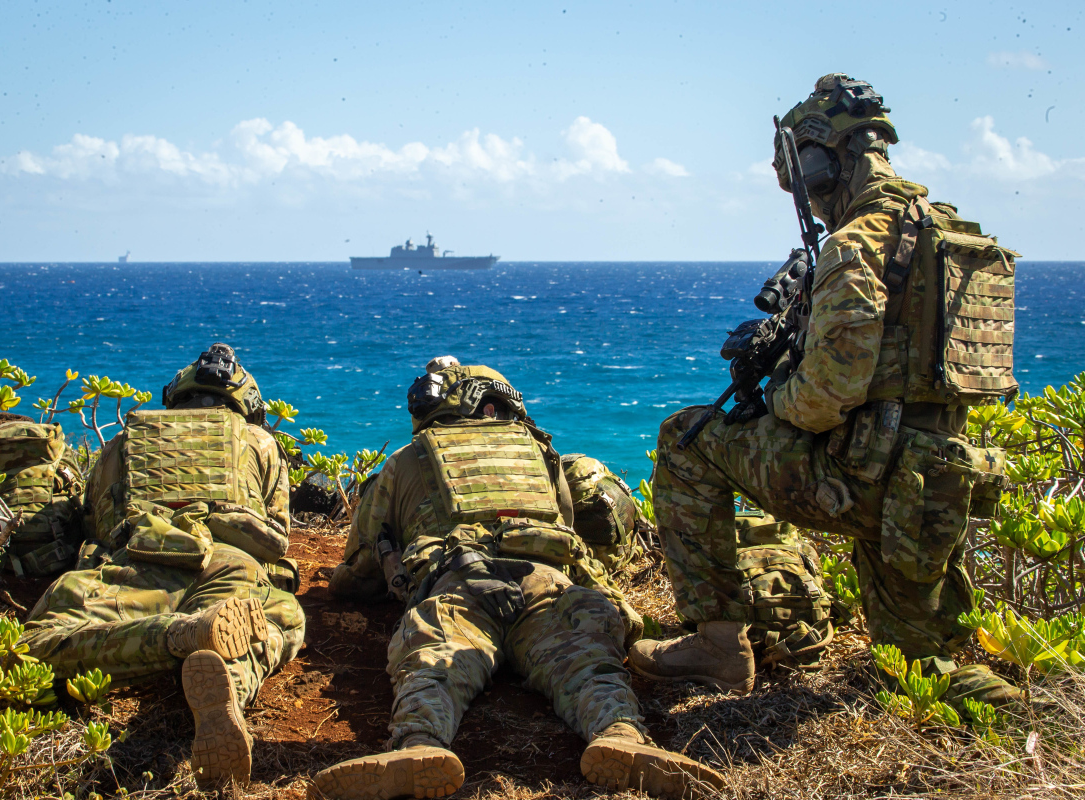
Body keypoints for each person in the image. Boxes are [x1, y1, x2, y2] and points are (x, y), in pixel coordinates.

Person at [632, 74, 1022, 707]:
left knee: (686, 439)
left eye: (800, 180)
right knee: (921, 669)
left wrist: (777, 387)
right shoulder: (953, 238)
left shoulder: (854, 245)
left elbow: (819, 402)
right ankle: (1034, 719)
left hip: (859, 480)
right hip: (935, 488)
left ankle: (718, 645)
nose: (806, 200)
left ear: (820, 163)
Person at [318, 357, 724, 800]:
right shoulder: (538, 452)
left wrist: (342, 582)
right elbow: (565, 525)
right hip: (546, 582)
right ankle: (620, 733)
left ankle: (418, 744)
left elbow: (361, 567)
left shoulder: (406, 459)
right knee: (589, 663)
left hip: (460, 582)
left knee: (433, 660)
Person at [22, 344, 306, 787]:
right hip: (229, 564)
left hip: (139, 560)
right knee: (275, 618)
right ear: (246, 404)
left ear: (177, 397)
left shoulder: (124, 443)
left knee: (37, 648)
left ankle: (173, 636)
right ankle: (227, 676)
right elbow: (279, 536)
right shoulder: (261, 442)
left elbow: (96, 526)